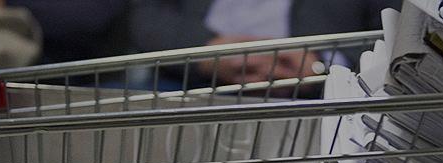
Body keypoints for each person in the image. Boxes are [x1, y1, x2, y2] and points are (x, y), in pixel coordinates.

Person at [129, 0, 401, 86]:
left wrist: (323, 66)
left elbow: (395, 29)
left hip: (318, 91)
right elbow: (148, 15)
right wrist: (203, 52)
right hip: (189, 78)